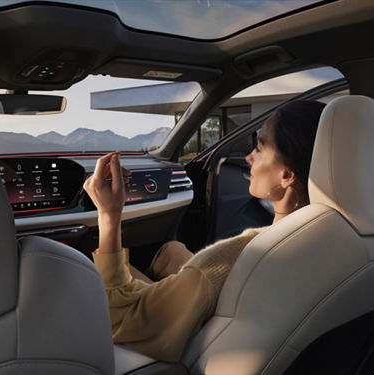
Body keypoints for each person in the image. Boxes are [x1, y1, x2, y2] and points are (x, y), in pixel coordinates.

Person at [83, 100, 326, 362]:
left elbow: (119, 318)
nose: (248, 157)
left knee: (84, 273)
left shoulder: (240, 256)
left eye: (258, 147)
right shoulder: (335, 235)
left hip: (176, 352)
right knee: (171, 251)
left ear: (287, 175)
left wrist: (109, 215)